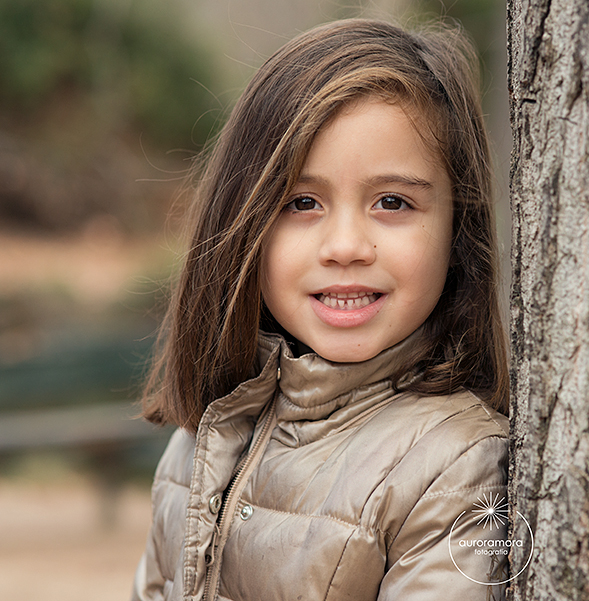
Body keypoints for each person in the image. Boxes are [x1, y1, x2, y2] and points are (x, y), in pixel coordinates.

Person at [131, 18, 510, 601]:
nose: (346, 247)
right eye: (302, 202)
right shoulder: (207, 433)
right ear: (244, 219)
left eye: (392, 202)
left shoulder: (460, 465)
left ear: (457, 228)